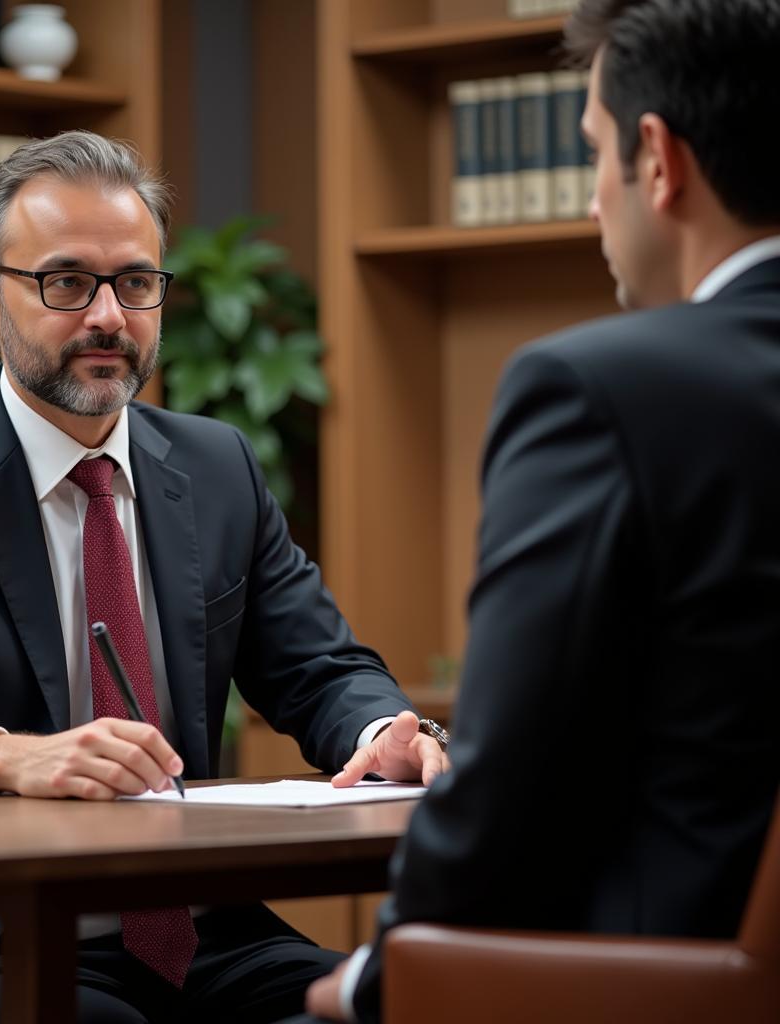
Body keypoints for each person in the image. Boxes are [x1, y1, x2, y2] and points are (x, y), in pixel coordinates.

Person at [0, 131, 448, 1024]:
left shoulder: (216, 467)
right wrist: (6, 756)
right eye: (65, 282)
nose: (107, 317)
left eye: (134, 283)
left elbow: (320, 670)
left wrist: (381, 730)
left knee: (405, 999)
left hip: (206, 940)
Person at [300, 1, 780, 1021]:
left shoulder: (600, 390)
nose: (594, 203)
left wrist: (382, 977)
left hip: (635, 985)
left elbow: (506, 791)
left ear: (657, 159)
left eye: (595, 153)